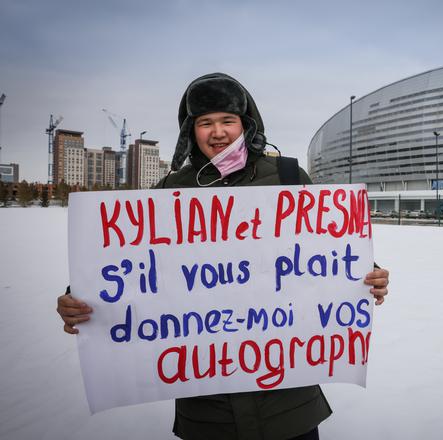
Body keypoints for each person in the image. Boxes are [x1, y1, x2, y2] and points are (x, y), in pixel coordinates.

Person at [56, 73, 390, 440]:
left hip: (288, 401)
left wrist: (367, 273)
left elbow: (330, 250)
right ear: (190, 130)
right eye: (205, 122)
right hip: (207, 410)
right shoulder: (169, 190)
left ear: (245, 124)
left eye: (228, 120)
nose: (218, 132)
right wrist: (82, 298)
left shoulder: (288, 177)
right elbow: (126, 264)